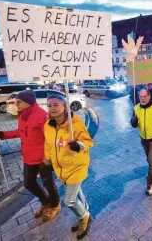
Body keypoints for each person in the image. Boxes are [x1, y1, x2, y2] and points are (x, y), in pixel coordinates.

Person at [0, 90, 60, 222]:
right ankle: (45, 202)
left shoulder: (42, 116)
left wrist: (49, 158)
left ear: (29, 102)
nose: (16, 105)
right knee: (28, 183)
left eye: (19, 102)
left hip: (43, 159)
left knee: (48, 183)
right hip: (28, 157)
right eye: (16, 102)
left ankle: (55, 205)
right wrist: (2, 134)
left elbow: (51, 139)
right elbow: (20, 132)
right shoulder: (23, 115)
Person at [44, 95, 94, 239]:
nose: (52, 108)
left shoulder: (75, 123)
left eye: (56, 105)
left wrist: (79, 145)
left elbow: (89, 141)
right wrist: (47, 160)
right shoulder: (48, 125)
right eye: (49, 105)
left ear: (64, 106)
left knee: (69, 200)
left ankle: (83, 217)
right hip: (61, 168)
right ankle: (86, 212)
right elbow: (48, 144)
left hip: (76, 166)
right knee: (77, 193)